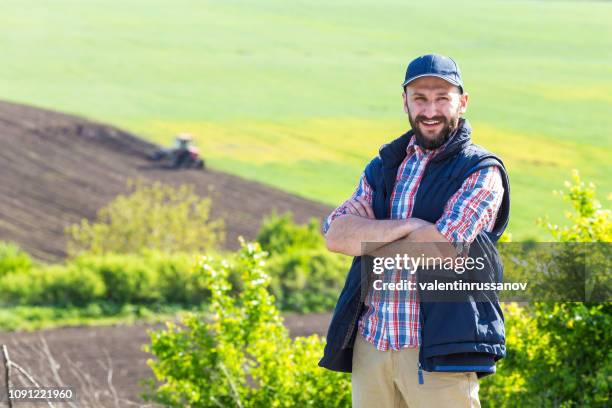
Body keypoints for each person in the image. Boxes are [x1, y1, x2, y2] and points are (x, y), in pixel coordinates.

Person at [319, 54, 511, 407]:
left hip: (439, 351)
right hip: (372, 344)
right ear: (405, 100)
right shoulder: (385, 165)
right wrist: (410, 227)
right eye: (420, 98)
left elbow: (442, 250)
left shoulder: (481, 171)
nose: (430, 109)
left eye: (442, 98)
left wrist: (368, 237)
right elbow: (335, 235)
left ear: (462, 102)